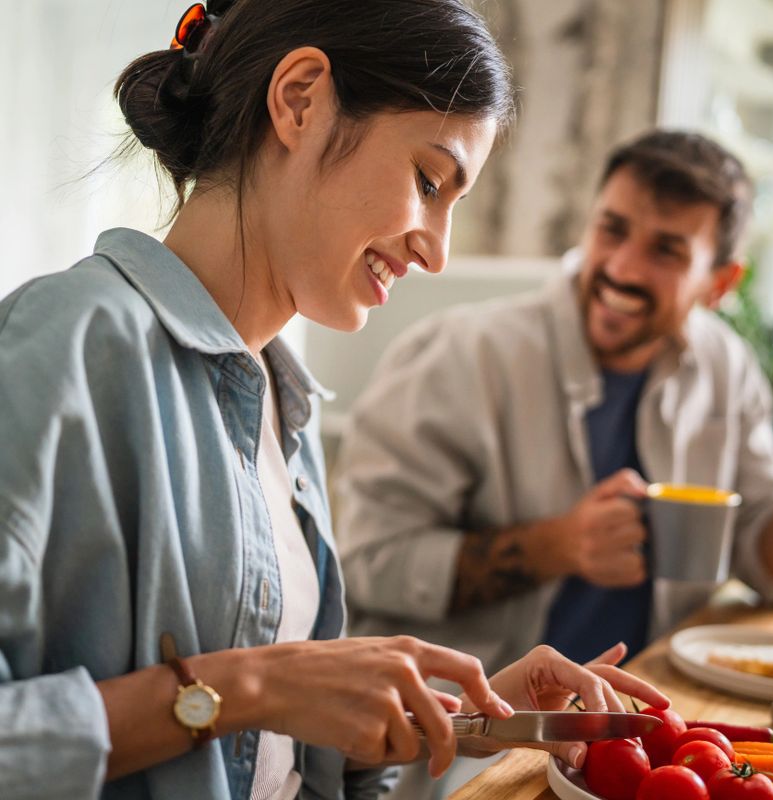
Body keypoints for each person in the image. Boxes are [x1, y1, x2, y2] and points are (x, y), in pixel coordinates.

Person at [0, 2, 672, 799]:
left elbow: (276, 755)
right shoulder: (65, 344)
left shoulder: (287, 411)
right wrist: (251, 685)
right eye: (429, 180)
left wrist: (473, 718)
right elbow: (249, 694)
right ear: (300, 100)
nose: (437, 250)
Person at [334, 129, 773, 794]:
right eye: (612, 229)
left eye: (666, 250)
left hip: (637, 745)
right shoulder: (459, 356)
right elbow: (366, 566)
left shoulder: (723, 366)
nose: (622, 267)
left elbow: (768, 559)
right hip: (466, 751)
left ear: (721, 282)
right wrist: (556, 546)